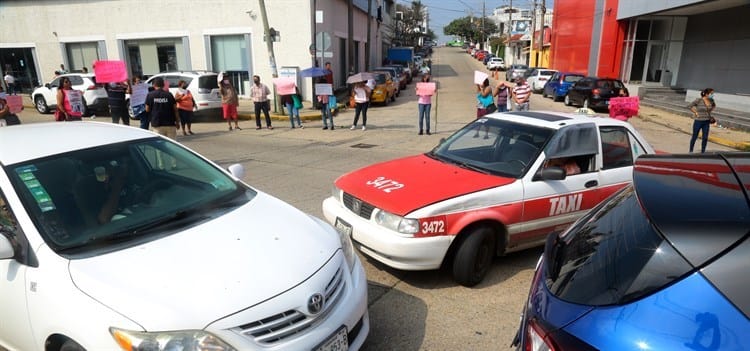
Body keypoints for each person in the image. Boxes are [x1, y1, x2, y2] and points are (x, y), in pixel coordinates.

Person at [687, 88, 716, 153]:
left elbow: (714, 106)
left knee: (705, 137)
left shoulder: (711, 100)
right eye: (711, 93)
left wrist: (709, 112)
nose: (712, 95)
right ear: (706, 94)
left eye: (713, 94)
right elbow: (689, 106)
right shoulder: (699, 100)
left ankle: (703, 152)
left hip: (706, 121)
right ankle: (691, 151)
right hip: (698, 121)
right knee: (695, 136)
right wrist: (696, 112)